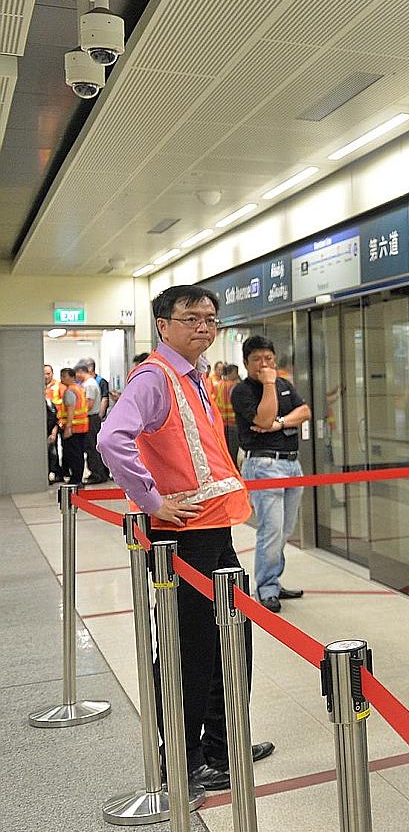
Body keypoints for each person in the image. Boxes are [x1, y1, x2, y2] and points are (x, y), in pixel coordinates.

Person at [99, 285, 275, 792]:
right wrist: (153, 501)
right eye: (191, 317)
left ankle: (224, 747)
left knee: (230, 639)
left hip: (214, 530)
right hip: (185, 539)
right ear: (163, 325)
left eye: (210, 318)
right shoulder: (155, 378)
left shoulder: (190, 378)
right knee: (191, 649)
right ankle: (183, 754)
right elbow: (112, 437)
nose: (203, 325)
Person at [229, 337, 310, 612]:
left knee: (285, 530)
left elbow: (305, 411)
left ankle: (273, 580)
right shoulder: (242, 391)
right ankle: (265, 588)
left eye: (268, 358)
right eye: (257, 359)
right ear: (246, 363)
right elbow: (263, 420)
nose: (264, 364)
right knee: (271, 530)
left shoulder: (285, 384)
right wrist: (268, 384)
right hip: (263, 465)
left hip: (292, 464)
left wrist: (280, 424)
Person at [75, 359, 109, 483]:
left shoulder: (89, 384)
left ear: (80, 372)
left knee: (92, 447)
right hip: (91, 418)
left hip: (91, 418)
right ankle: (97, 473)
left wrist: (75, 413)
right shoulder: (90, 383)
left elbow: (88, 404)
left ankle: (97, 474)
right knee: (91, 447)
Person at [55, 366, 89, 486]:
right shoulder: (79, 389)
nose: (62, 379)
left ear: (72, 377)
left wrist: (68, 427)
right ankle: (77, 478)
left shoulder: (70, 391)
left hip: (74, 429)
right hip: (82, 427)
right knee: (78, 454)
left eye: (64, 376)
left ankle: (76, 479)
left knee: (73, 454)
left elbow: (70, 409)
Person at [212, 362, 240, 465]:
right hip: (233, 423)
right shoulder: (234, 386)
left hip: (221, 423)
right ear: (232, 373)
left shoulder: (219, 384)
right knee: (233, 454)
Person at [44, 365, 64, 483]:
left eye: (48, 373)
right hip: (47, 423)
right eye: (44, 374)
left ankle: (58, 472)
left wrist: (57, 426)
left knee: (54, 450)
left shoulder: (59, 387)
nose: (46, 376)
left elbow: (63, 406)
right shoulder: (40, 387)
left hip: (57, 422)